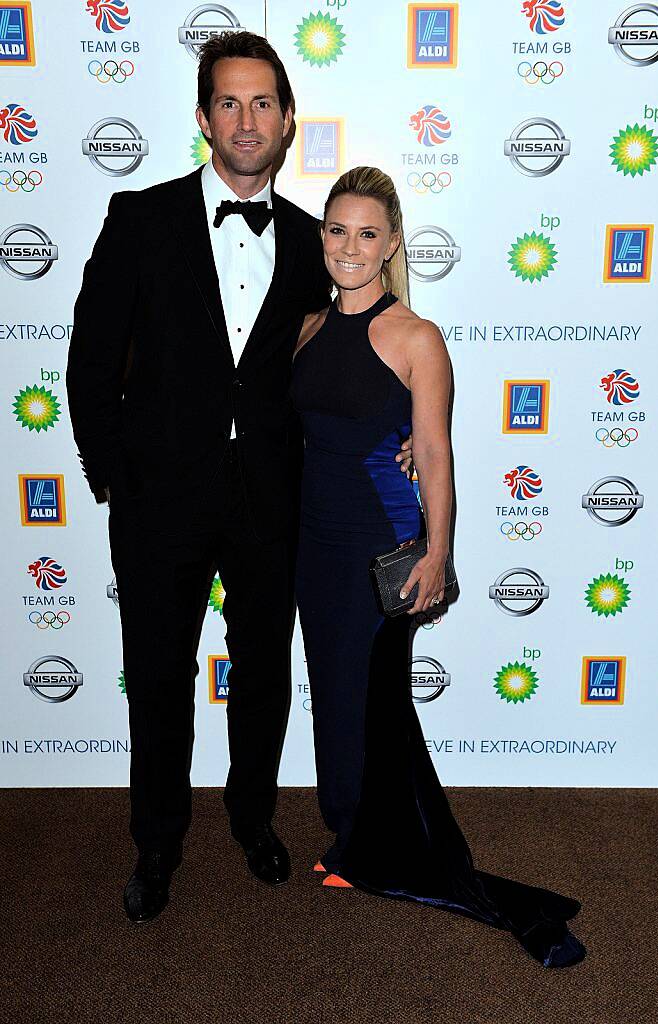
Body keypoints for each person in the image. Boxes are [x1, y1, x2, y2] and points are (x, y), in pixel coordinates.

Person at [67, 32, 412, 923]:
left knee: (261, 675)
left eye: (263, 103)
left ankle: (252, 821)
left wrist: (407, 433)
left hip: (272, 504)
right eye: (229, 102)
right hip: (156, 504)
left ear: (288, 121)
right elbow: (89, 360)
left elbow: (366, 347)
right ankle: (155, 842)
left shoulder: (315, 242)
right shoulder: (137, 219)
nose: (246, 119)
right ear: (201, 117)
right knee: (156, 677)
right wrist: (112, 478)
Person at [291, 166, 586, 968]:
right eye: (335, 230)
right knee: (336, 697)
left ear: (389, 246)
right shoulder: (307, 327)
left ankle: (377, 848)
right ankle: (353, 833)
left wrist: (438, 552)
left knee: (373, 699)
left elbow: (434, 452)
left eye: (366, 233)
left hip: (378, 544)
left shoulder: (416, 336)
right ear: (323, 237)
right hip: (310, 544)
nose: (348, 247)